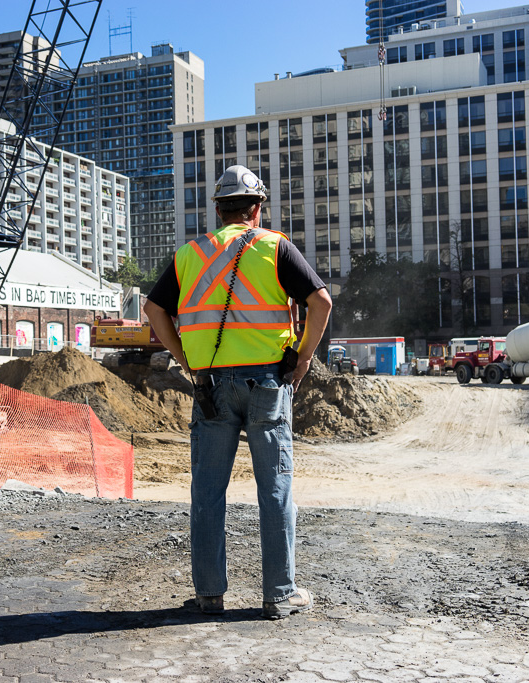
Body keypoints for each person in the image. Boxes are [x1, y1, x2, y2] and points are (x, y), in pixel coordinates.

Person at [143, 165, 333, 620]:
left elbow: (153, 307)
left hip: (210, 386)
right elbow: (321, 302)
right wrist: (303, 356)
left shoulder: (191, 254)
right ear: (257, 208)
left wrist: (186, 360)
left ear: (218, 209)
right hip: (268, 383)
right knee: (275, 489)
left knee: (208, 491)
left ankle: (210, 594)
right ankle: (279, 594)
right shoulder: (273, 247)